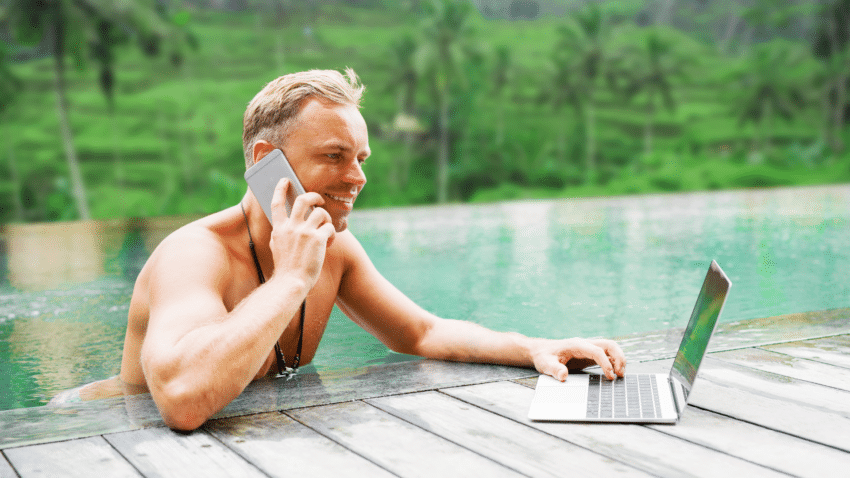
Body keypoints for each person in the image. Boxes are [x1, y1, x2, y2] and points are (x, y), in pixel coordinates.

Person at [61, 69, 626, 430]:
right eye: (334, 156)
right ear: (265, 159)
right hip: (99, 433)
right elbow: (182, 400)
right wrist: (289, 282)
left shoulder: (333, 249)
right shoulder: (195, 256)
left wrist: (536, 347)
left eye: (361, 158)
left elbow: (421, 333)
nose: (356, 177)